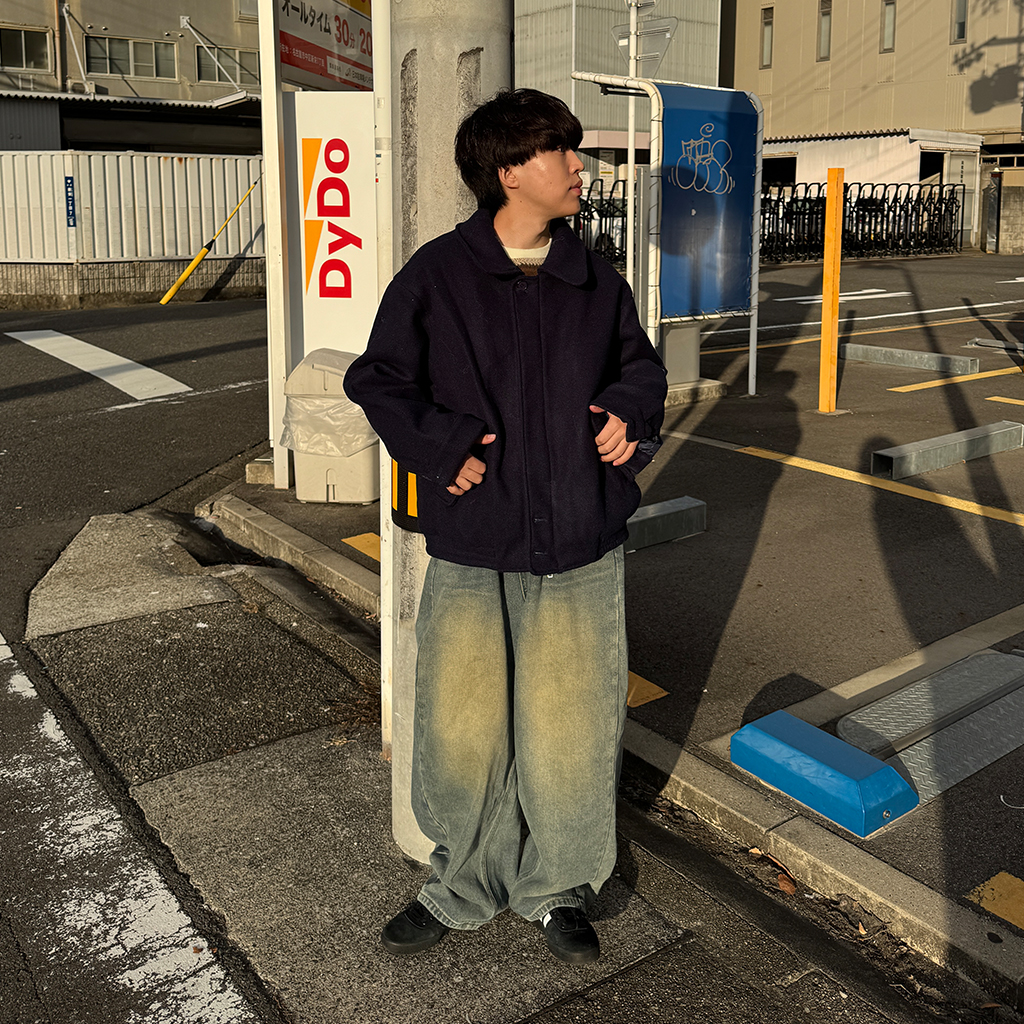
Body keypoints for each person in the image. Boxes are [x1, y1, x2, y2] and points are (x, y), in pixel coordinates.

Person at [344, 88, 667, 965]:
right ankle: (460, 884)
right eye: (558, 151)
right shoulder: (439, 275)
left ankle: (556, 887)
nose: (577, 166)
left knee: (571, 726)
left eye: (572, 149)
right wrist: (441, 447)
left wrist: (628, 411)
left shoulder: (595, 280)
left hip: (579, 538)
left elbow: (641, 370)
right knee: (463, 725)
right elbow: (379, 380)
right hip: (475, 538)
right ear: (509, 171)